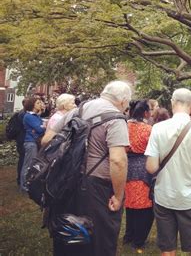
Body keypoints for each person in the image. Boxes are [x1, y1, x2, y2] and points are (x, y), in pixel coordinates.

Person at [43, 80, 131, 256]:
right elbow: (118, 161)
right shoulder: (115, 118)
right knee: (99, 238)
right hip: (97, 188)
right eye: (127, 103)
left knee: (70, 231)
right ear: (122, 101)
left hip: (68, 183)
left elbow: (46, 140)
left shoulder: (77, 111)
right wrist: (119, 195)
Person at [145, 88, 191, 255]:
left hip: (164, 197)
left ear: (172, 103)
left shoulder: (158, 128)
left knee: (167, 249)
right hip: (190, 198)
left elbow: (151, 167)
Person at [123, 100, 154, 252]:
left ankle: (128, 235)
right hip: (143, 166)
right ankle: (138, 239)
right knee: (143, 204)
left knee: (129, 203)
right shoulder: (148, 129)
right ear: (146, 113)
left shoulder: (124, 126)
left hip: (126, 165)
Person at [20, 97, 46, 192]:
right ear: (32, 105)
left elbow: (40, 128)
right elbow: (40, 129)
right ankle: (24, 186)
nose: (40, 104)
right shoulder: (29, 116)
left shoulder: (36, 116)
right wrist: (43, 126)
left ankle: (29, 183)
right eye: (38, 103)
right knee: (28, 164)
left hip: (33, 141)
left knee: (32, 164)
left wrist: (41, 126)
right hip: (30, 142)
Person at [7, 100, 26, 186]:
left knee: (22, 159)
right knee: (23, 160)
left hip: (20, 139)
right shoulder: (23, 115)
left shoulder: (20, 113)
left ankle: (20, 179)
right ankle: (21, 180)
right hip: (23, 140)